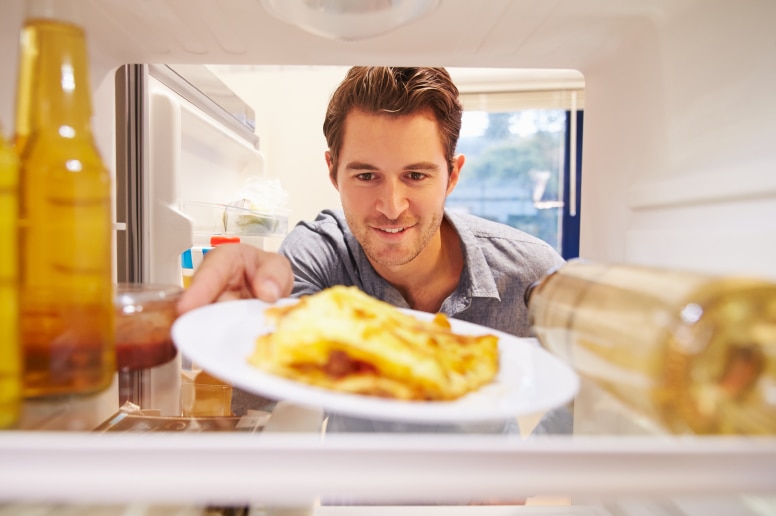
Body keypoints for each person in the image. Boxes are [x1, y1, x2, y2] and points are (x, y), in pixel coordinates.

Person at [178, 66, 570, 434]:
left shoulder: (527, 271)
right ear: (333, 171)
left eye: (415, 175)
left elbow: (603, 382)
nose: (391, 206)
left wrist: (526, 471)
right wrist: (239, 330)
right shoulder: (318, 257)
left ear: (452, 175)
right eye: (367, 175)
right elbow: (262, 411)